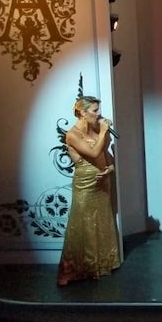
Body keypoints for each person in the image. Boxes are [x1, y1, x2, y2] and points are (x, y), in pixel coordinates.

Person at [57, 95, 122, 286]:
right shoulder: (72, 134)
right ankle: (76, 269)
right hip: (85, 183)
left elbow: (105, 158)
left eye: (98, 109)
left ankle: (99, 266)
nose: (98, 114)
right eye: (94, 110)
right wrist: (103, 132)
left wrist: (109, 170)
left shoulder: (97, 130)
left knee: (101, 221)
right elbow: (93, 153)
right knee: (82, 223)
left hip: (102, 182)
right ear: (82, 113)